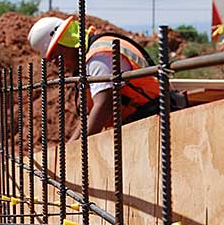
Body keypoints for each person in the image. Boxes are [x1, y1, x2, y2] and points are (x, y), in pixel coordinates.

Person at [28, 16, 186, 141]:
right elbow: (90, 116)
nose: (57, 64)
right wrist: (69, 148)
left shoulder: (99, 56)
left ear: (67, 41)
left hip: (158, 121)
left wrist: (74, 150)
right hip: (144, 122)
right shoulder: (90, 58)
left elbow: (104, 107)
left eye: (55, 56)